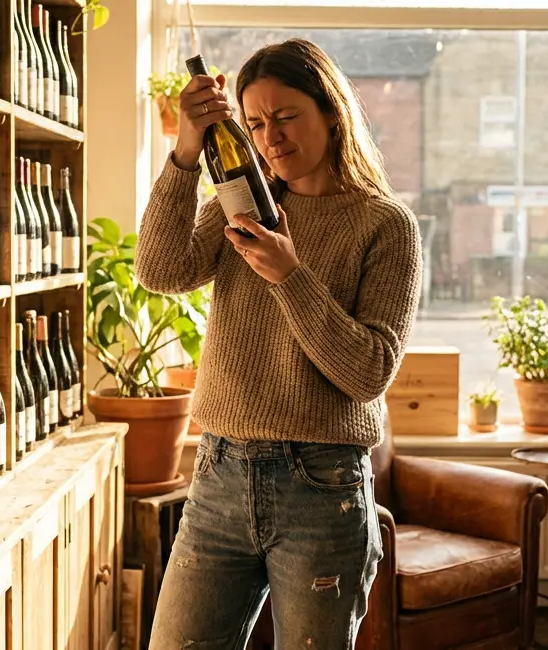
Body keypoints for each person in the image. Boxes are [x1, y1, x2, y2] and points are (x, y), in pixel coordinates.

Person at [137, 38, 423, 648]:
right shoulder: (243, 204)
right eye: (257, 122)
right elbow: (161, 272)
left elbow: (370, 371)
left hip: (322, 491)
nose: (271, 137)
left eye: (287, 116)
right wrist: (186, 154)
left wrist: (290, 276)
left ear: (330, 111)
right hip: (218, 476)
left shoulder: (385, 224)